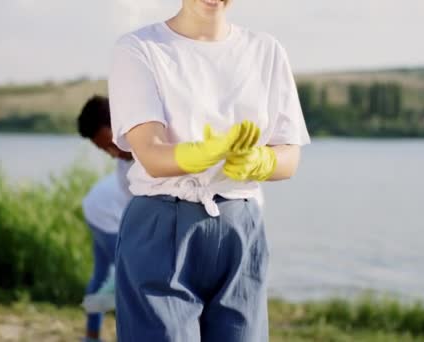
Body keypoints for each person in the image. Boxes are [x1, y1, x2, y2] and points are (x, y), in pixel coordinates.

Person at [108, 0, 311, 340]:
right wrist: (202, 153)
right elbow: (151, 155)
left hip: (240, 225)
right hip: (161, 225)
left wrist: (262, 161)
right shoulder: (139, 48)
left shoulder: (266, 51)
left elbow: (289, 155)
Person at [76, 95, 133, 342]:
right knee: (128, 282)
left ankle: (91, 335)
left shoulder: (151, 149)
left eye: (110, 144)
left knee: (105, 277)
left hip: (99, 208)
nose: (111, 153)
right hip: (105, 215)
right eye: (103, 150)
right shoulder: (125, 168)